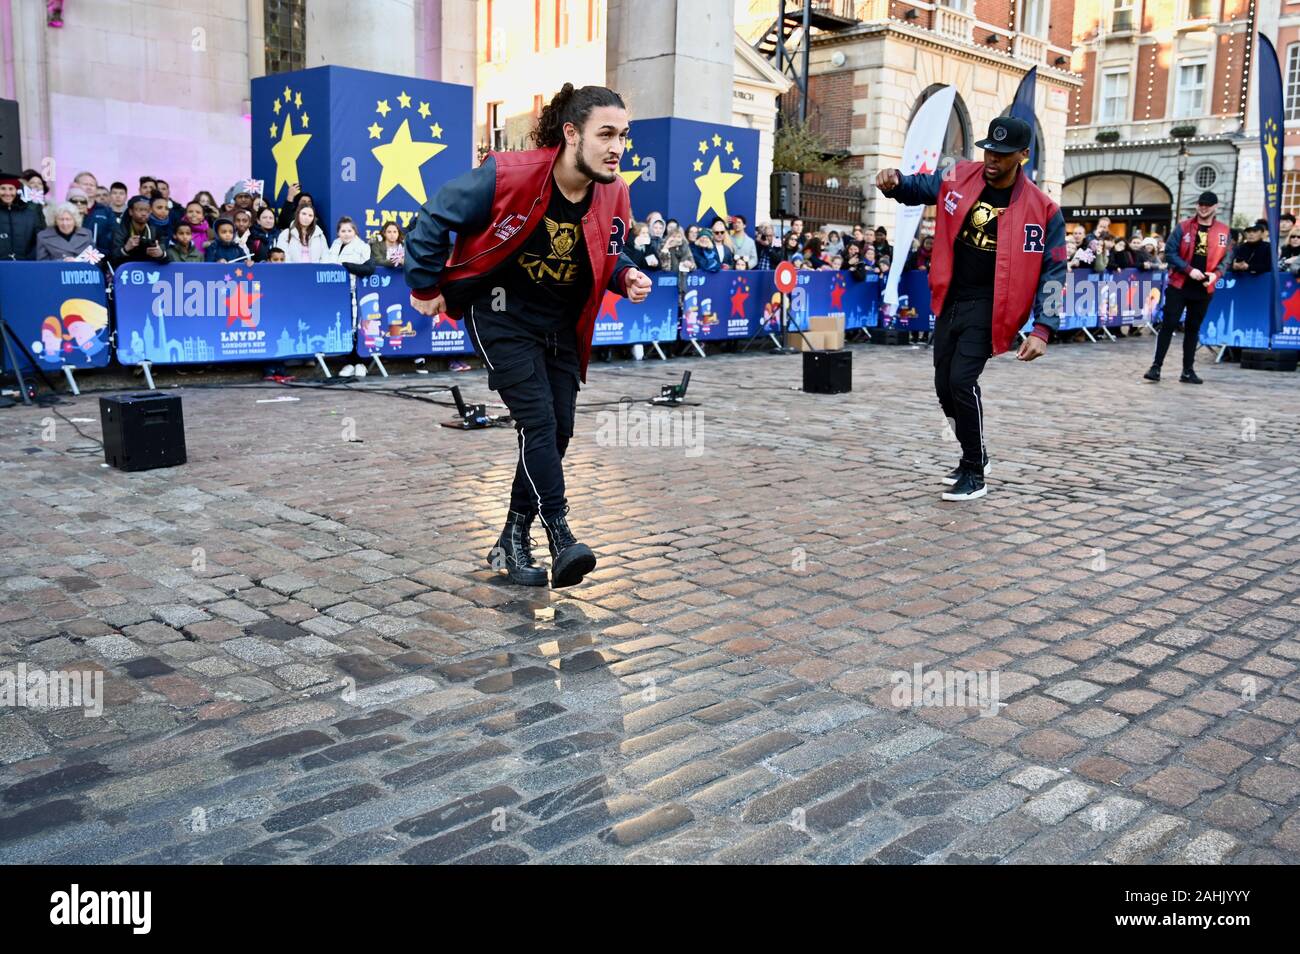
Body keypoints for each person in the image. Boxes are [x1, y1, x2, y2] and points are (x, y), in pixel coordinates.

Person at [404, 83, 649, 589]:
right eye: (605, 134)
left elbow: (608, 251)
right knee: (536, 420)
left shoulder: (615, 191)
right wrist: (425, 284)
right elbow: (433, 217)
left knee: (557, 431)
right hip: (499, 314)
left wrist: (625, 277)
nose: (617, 147)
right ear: (571, 133)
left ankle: (511, 539)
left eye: (623, 136)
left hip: (561, 323)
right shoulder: (507, 174)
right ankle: (561, 535)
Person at [876, 116, 1065, 501]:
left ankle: (975, 473)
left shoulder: (1043, 210)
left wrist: (1043, 328)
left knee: (962, 381)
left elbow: (1054, 270)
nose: (992, 159)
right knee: (944, 385)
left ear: (1023, 156)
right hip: (951, 297)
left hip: (992, 306)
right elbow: (920, 186)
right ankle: (972, 455)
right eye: (989, 151)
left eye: (1003, 154)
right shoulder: (958, 173)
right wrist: (896, 182)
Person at [1144, 191, 1228, 385]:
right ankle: (1156, 367)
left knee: (1193, 328)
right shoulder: (1183, 227)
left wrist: (1216, 274)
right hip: (1179, 285)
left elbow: (1226, 258)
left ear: (1215, 207)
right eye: (1201, 204)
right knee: (1168, 325)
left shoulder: (1223, 231)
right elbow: (1170, 253)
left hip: (1204, 288)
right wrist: (1189, 270)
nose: (1203, 207)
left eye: (1208, 205)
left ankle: (1188, 370)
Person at [110, 195, 166, 265]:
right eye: (140, 210)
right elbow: (113, 258)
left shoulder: (156, 231)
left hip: (150, 271)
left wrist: (161, 254)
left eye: (147, 210)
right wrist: (125, 249)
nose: (144, 213)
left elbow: (168, 258)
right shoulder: (120, 231)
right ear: (130, 211)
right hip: (127, 271)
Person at [0, 173, 43, 259]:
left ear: (17, 190)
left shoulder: (30, 214)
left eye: (11, 189)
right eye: (3, 189)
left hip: (25, 266)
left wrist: (29, 260)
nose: (7, 193)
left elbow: (39, 240)